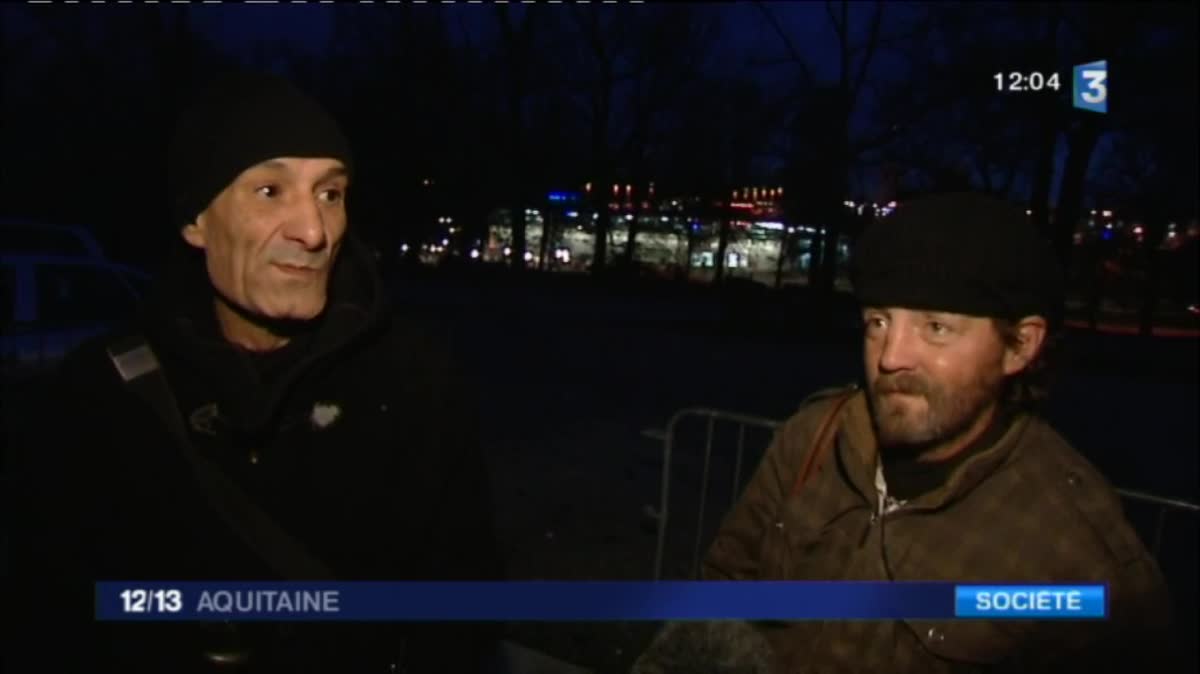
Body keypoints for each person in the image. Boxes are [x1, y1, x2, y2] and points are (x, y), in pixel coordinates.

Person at [11, 72, 503, 673]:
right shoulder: (103, 395)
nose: (314, 231)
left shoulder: (417, 385)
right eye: (270, 191)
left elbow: (463, 611)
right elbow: (53, 615)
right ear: (197, 221)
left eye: (330, 193)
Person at [640, 193, 1177, 673]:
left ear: (1020, 346)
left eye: (936, 328)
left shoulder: (1081, 561)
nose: (891, 357)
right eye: (878, 322)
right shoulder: (816, 438)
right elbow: (722, 595)